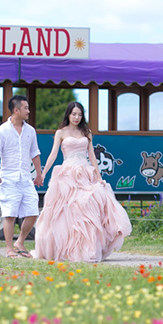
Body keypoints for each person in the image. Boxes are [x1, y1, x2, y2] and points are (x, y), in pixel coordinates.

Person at [33, 101, 132, 262]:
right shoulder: (61, 132)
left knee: (87, 211)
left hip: (85, 172)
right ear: (68, 115)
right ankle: (65, 249)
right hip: (67, 173)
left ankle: (87, 249)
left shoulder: (87, 132)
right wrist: (43, 173)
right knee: (66, 212)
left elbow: (92, 156)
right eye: (74, 114)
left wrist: (99, 177)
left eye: (79, 114)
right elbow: (53, 154)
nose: (77, 117)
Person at [0, 95, 42, 259]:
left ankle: (20, 242)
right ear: (16, 110)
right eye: (26, 108)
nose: (29, 111)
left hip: (26, 178)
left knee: (33, 212)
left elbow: (35, 153)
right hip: (8, 178)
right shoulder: (2, 131)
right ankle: (9, 249)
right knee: (10, 215)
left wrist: (39, 174)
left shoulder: (30, 131)